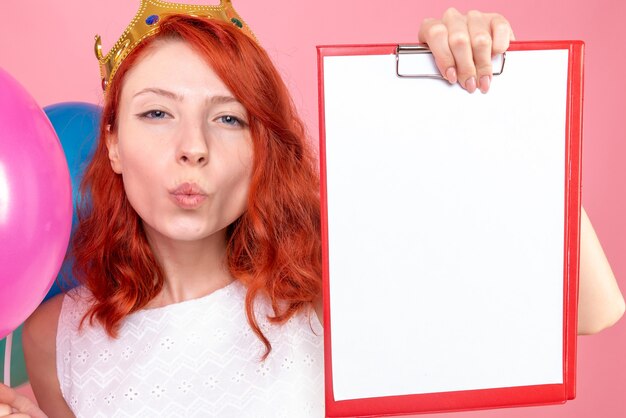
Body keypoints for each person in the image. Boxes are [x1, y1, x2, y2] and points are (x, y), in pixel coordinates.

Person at [1, 3, 623, 417]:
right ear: (111, 140)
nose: (192, 148)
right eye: (157, 113)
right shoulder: (55, 337)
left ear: (261, 145)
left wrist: (495, 99)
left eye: (228, 118)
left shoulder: (323, 285)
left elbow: (591, 311)